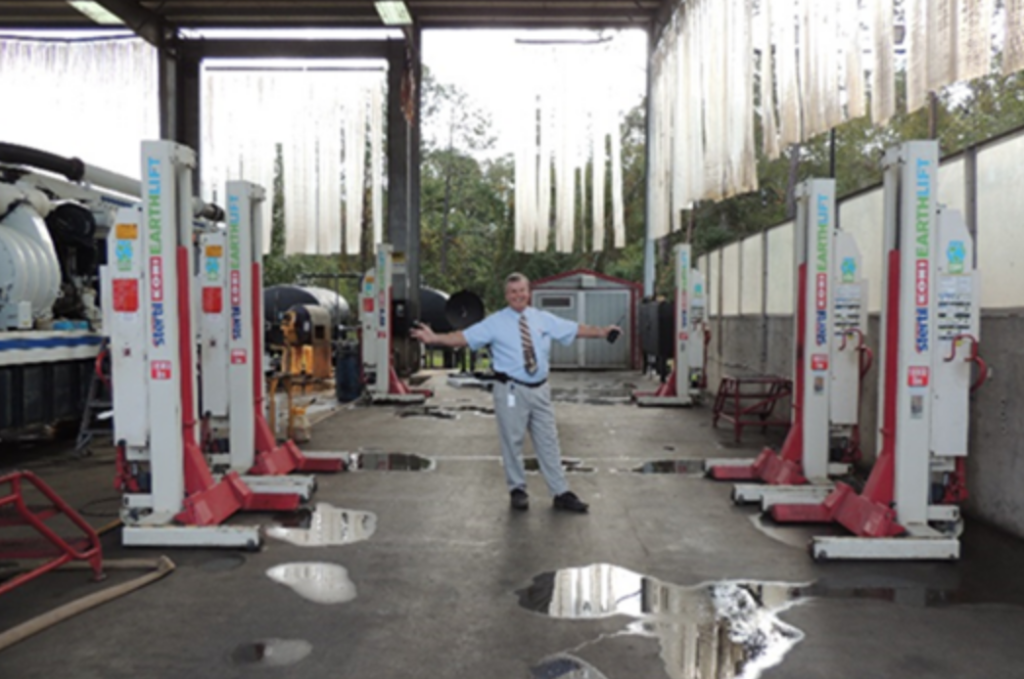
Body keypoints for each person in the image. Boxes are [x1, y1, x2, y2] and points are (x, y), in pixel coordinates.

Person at [410, 273, 621, 513]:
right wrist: (434, 338)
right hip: (511, 390)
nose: (518, 295)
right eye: (513, 292)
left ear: (529, 292)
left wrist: (603, 331)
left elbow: (575, 329)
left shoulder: (543, 319)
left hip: (540, 390)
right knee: (512, 441)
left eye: (522, 290)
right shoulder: (495, 322)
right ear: (506, 296)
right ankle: (517, 489)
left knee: (549, 442)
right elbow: (464, 338)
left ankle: (560, 492)